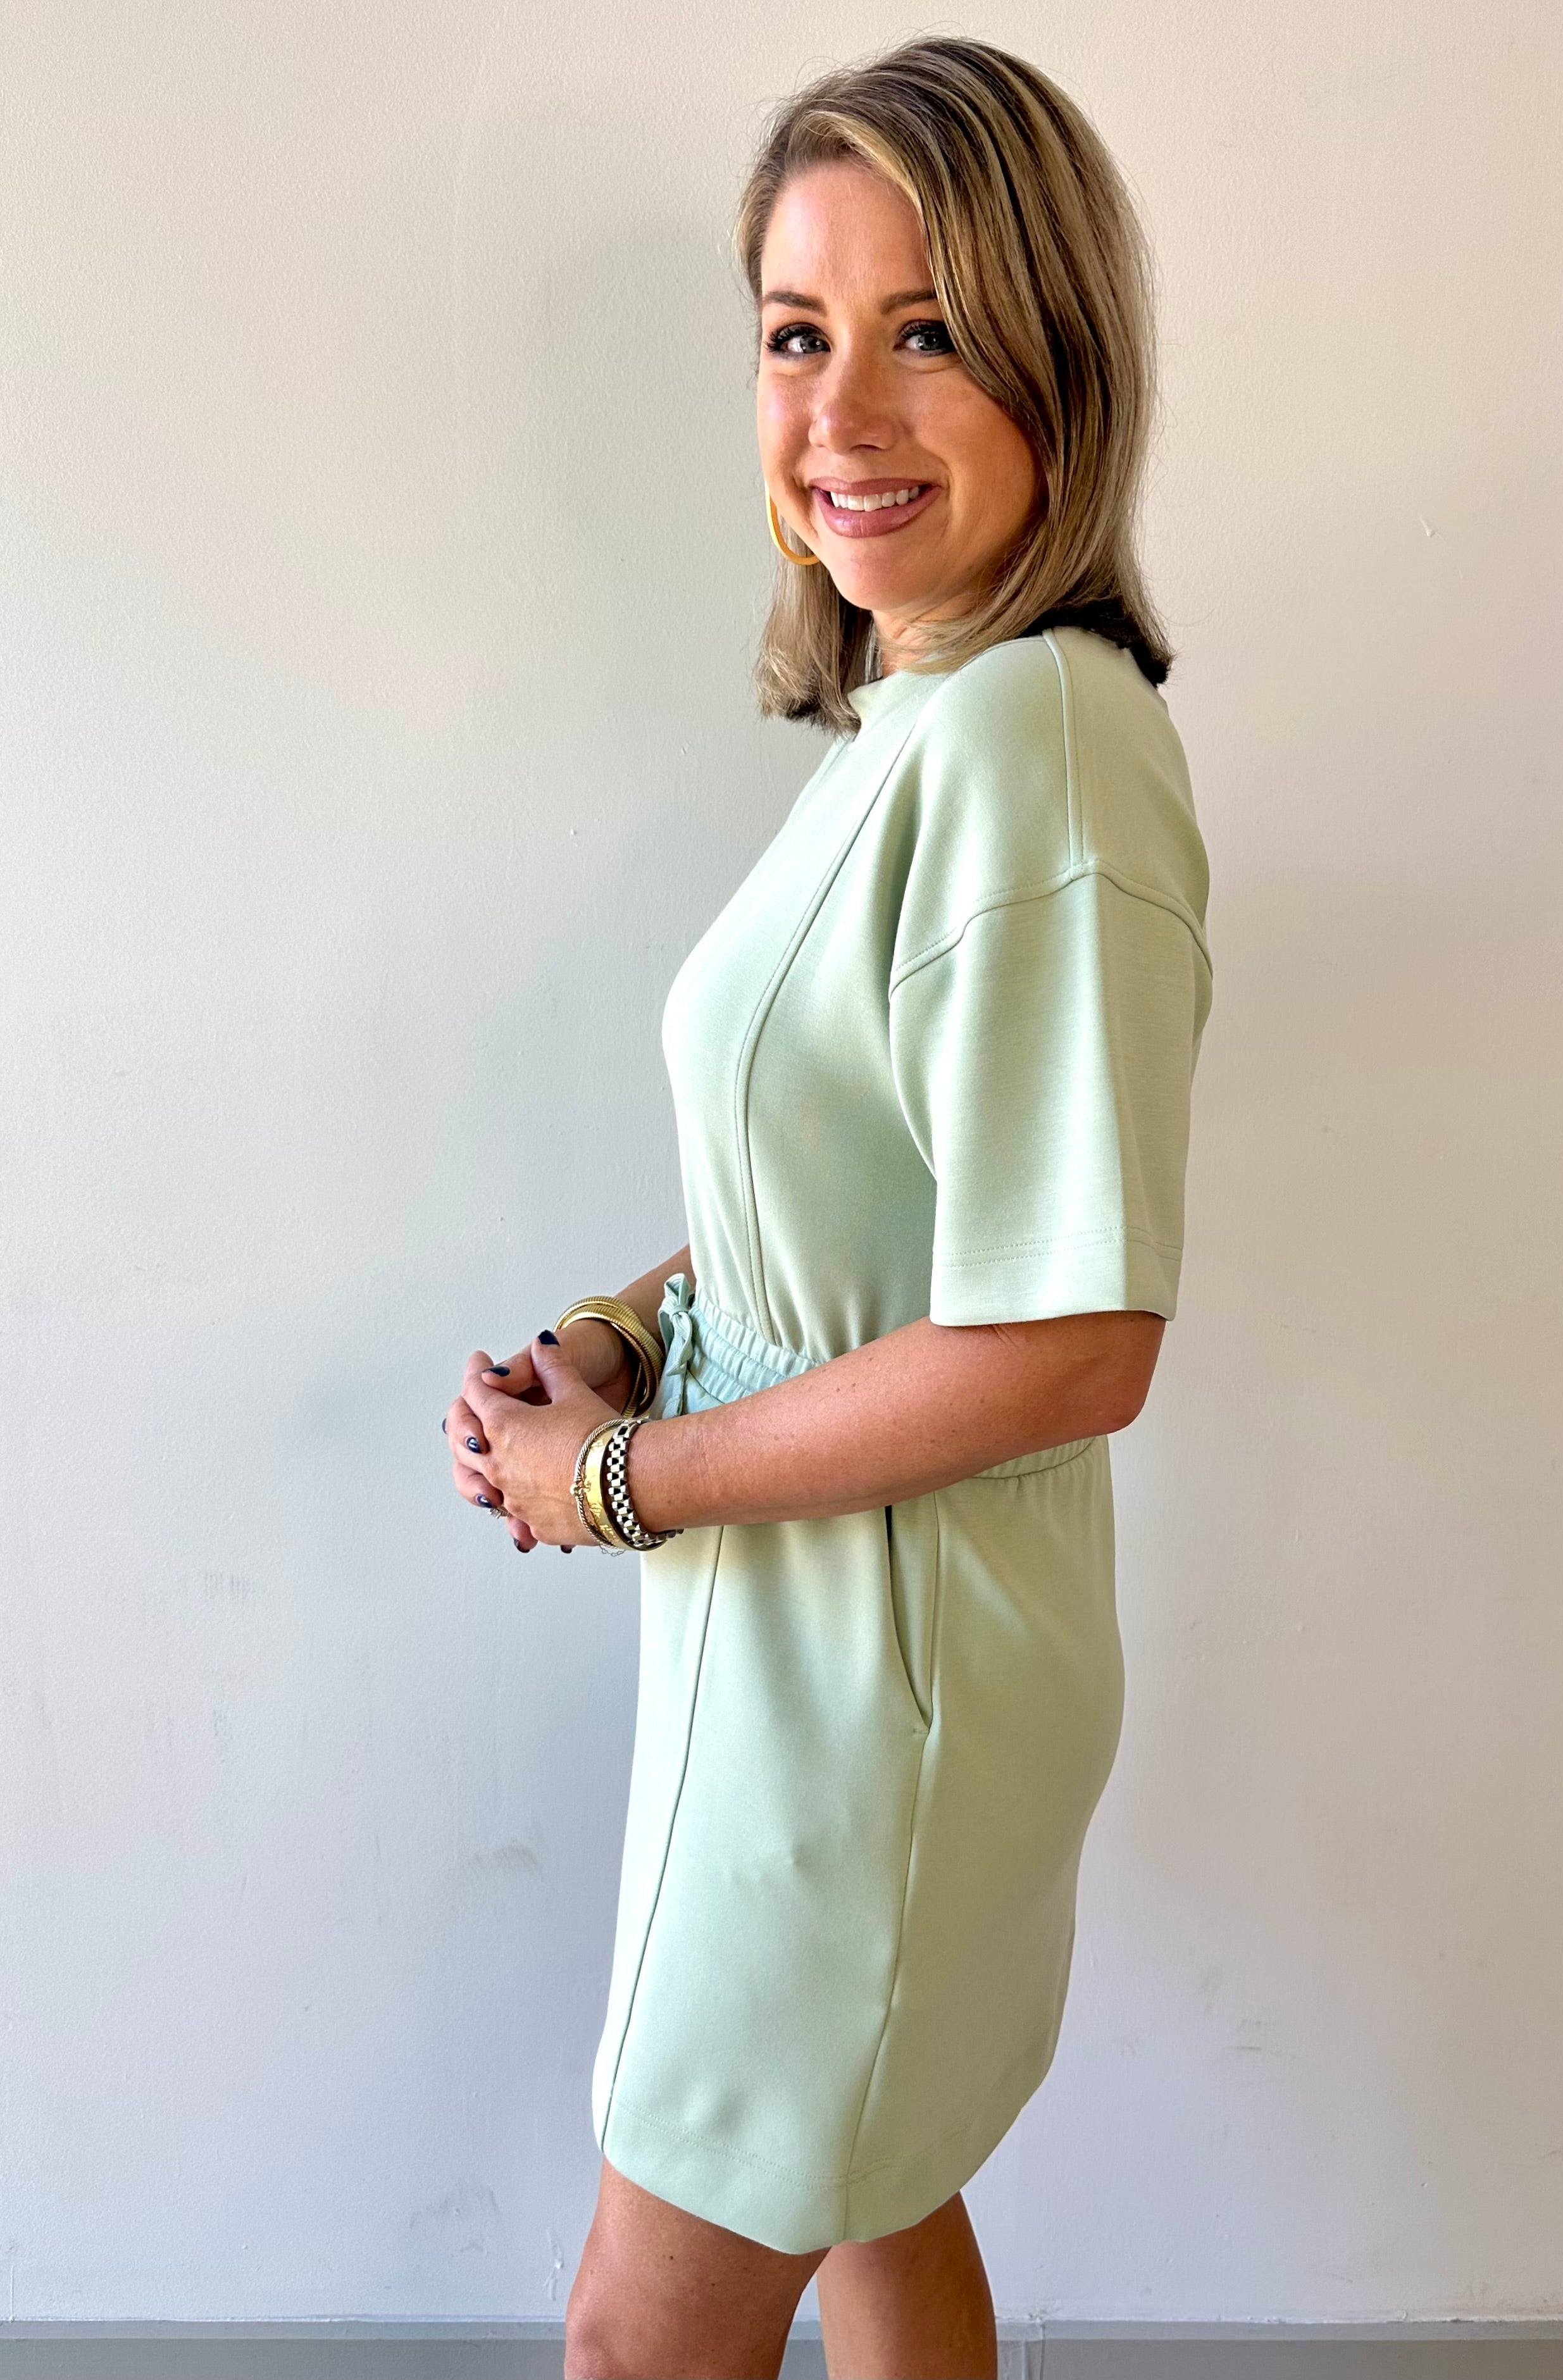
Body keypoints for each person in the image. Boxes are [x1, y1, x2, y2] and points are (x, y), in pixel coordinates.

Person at [443, 35, 1215, 2380]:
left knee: (641, 2325)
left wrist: (621, 1478)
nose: (843, 410)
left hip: (867, 1681)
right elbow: (872, 1183)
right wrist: (628, 1327)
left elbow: (1068, 1334)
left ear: (1062, 364)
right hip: (834, 1637)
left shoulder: (1034, 746)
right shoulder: (924, 726)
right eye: (798, 333)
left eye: (931, 328)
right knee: (876, 2197)